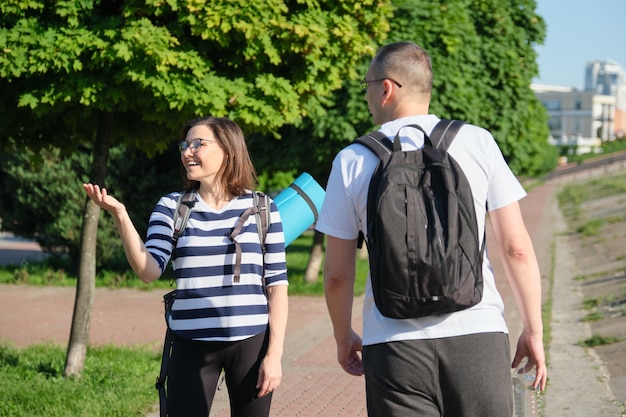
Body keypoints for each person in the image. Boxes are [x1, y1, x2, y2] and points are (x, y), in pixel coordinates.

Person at [315, 41, 547, 417]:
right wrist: (533, 330)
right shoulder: (477, 142)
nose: (367, 95)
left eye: (367, 85)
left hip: (393, 344)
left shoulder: (352, 160)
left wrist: (344, 338)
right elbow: (516, 247)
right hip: (478, 334)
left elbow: (338, 275)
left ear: (386, 88)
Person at [83, 116, 288, 417]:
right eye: (185, 145)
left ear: (228, 151)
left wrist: (274, 355)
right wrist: (120, 215)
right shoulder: (172, 207)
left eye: (198, 144)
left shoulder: (262, 208)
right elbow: (148, 271)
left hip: (251, 344)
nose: (187, 152)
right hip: (190, 343)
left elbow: (277, 286)